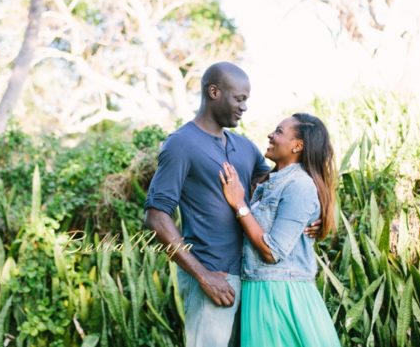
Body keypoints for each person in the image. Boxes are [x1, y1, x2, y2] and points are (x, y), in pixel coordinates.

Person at [143, 62, 320, 347]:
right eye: (239, 98)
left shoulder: (245, 147)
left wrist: (314, 216)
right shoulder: (181, 144)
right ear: (214, 92)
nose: (245, 106)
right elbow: (156, 218)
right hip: (213, 277)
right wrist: (203, 276)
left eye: (246, 99)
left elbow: (284, 188)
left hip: (254, 283)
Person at [219, 113, 341, 347]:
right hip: (260, 288)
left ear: (298, 145)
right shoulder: (271, 180)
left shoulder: (299, 186)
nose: (270, 135)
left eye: (279, 131)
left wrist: (239, 204)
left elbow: (272, 252)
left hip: (281, 293)